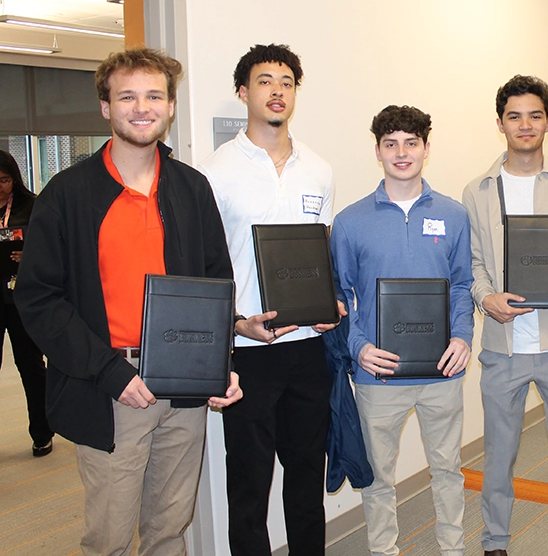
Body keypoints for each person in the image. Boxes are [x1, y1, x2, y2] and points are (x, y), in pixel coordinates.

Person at [14, 48, 242, 555]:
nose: (142, 107)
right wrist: (108, 371)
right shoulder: (67, 194)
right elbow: (38, 299)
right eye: (128, 96)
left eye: (154, 95)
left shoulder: (191, 187)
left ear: (171, 105)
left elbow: (214, 284)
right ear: (106, 107)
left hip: (184, 388)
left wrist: (216, 363)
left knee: (169, 530)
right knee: (110, 539)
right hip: (112, 387)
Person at [199, 44, 341, 555]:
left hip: (307, 347)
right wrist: (236, 324)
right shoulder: (213, 172)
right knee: (249, 485)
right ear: (243, 92)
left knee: (306, 479)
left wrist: (330, 305)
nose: (277, 90)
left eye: (286, 81)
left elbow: (320, 250)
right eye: (264, 81)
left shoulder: (318, 169)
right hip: (248, 351)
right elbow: (206, 265)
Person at [462, 75, 548, 556]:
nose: (525, 125)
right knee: (498, 456)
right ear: (500, 123)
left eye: (535, 115)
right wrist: (485, 298)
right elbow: (473, 265)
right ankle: (495, 542)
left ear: (547, 122)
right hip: (503, 346)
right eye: (515, 116)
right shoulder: (477, 192)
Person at [334, 104, 474, 556]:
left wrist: (462, 337)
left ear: (426, 149)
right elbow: (339, 298)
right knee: (378, 478)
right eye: (390, 143)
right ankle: (383, 551)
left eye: (411, 143)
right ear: (377, 151)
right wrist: (358, 348)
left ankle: (452, 549)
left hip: (442, 371)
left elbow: (462, 285)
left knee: (448, 470)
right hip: (378, 375)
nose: (401, 152)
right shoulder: (351, 221)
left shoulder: (453, 215)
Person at [0, 150, 54, 458]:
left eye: (5, 180)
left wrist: (30, 256)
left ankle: (42, 432)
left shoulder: (31, 205)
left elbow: (49, 246)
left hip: (21, 296)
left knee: (31, 365)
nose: (0, 186)